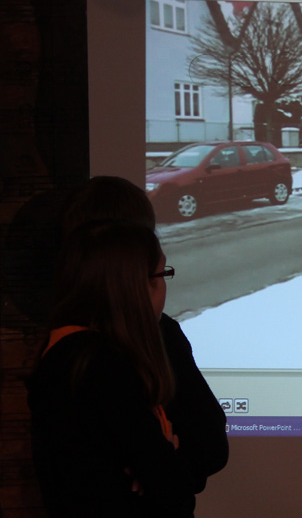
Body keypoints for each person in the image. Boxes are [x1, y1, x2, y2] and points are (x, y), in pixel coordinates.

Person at [57, 176, 229, 497]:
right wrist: (165, 465)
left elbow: (209, 448)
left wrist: (165, 467)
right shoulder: (90, 357)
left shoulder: (157, 332)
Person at [26, 219, 198, 516]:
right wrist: (167, 453)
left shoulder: (63, 352)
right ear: (135, 287)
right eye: (162, 274)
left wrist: (160, 462)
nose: (164, 287)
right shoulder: (104, 366)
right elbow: (174, 492)